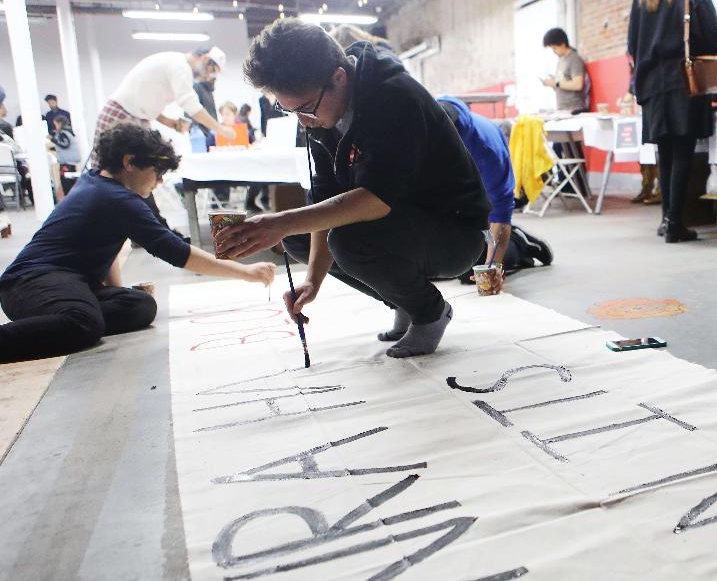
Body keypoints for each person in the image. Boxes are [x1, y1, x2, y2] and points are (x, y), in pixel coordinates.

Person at [218, 19, 491, 359]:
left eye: (304, 108)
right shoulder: (322, 114)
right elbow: (325, 198)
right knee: (297, 237)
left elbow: (377, 199)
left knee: (347, 241)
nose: (302, 121)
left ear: (339, 77)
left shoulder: (393, 97)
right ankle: (404, 301)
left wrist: (281, 221)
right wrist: (312, 281)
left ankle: (429, 312)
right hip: (401, 223)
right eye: (289, 111)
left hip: (455, 233)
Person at [0, 124, 273, 363]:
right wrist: (246, 272)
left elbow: (110, 245)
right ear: (130, 162)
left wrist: (116, 293)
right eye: (157, 172)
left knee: (139, 306)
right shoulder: (118, 199)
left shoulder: (99, 184)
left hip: (64, 282)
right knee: (84, 323)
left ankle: (57, 321)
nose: (160, 180)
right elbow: (176, 252)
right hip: (30, 283)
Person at [627, 0, 717, 243]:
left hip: (651, 85)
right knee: (683, 150)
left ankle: (666, 219)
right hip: (683, 80)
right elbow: (714, 36)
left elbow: (632, 46)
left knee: (664, 151)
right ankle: (675, 223)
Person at [95, 46, 235, 232]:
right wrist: (221, 129)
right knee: (110, 176)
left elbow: (148, 104)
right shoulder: (181, 66)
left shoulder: (173, 63)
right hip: (121, 115)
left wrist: (171, 123)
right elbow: (192, 106)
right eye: (211, 70)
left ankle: (149, 229)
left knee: (139, 176)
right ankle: (144, 228)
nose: (209, 76)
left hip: (136, 118)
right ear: (204, 58)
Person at [435, 96, 554, 292]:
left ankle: (519, 242)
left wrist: (494, 266)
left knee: (472, 270)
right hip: (451, 194)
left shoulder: (487, 151)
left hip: (479, 189)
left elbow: (500, 214)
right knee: (435, 268)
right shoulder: (421, 124)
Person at [540, 28, 591, 115]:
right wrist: (551, 83)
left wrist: (556, 83)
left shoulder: (574, 59)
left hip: (574, 110)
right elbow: (562, 83)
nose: (553, 51)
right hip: (562, 109)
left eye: (554, 48)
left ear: (562, 44)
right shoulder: (561, 60)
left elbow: (578, 85)